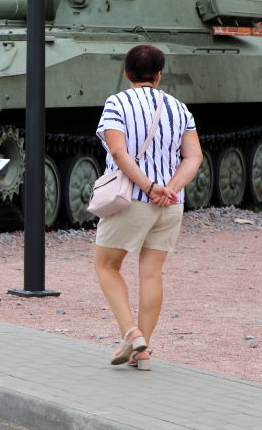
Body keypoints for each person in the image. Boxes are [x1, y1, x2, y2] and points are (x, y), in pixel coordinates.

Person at [94, 44, 203, 371]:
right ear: (159, 74)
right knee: (152, 273)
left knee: (106, 266)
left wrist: (148, 186)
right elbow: (194, 156)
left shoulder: (117, 103)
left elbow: (118, 152)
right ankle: (143, 353)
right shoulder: (180, 109)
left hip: (132, 199)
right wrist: (169, 189)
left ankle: (131, 334)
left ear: (126, 73)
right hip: (171, 204)